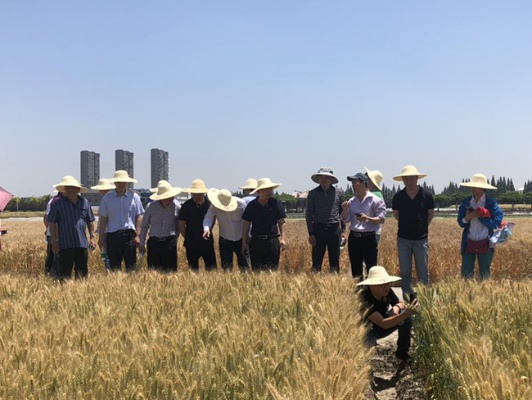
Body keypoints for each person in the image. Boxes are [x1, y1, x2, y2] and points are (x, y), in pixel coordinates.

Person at [358, 266, 418, 363]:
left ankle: (402, 352)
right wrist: (405, 314)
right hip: (366, 331)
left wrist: (396, 308)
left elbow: (400, 303)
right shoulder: (364, 299)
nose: (386, 287)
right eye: (382, 285)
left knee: (407, 319)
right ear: (371, 285)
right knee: (365, 352)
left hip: (381, 325)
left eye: (388, 284)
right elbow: (383, 324)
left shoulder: (387, 290)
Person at [392, 165, 434, 301]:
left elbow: (430, 215)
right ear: (403, 180)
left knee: (423, 272)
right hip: (403, 239)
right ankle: (409, 302)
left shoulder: (426, 196)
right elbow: (396, 215)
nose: (409, 181)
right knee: (405, 273)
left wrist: (421, 227)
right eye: (406, 179)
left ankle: (425, 300)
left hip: (421, 239)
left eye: (411, 178)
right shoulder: (398, 197)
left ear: (417, 179)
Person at [47, 176, 96, 280]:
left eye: (73, 187)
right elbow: (51, 223)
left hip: (82, 244)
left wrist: (92, 237)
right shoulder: (58, 204)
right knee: (65, 275)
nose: (70, 190)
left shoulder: (85, 203)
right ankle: (65, 294)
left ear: (78, 189)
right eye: (68, 188)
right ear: (64, 189)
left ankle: (81, 293)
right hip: (65, 245)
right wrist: (54, 242)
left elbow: (90, 221)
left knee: (82, 274)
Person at [458, 173, 503, 280]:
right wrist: (467, 218)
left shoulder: (491, 203)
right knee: (466, 274)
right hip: (468, 241)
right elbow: (460, 222)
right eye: (472, 186)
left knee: (485, 275)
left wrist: (481, 217)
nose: (472, 188)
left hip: (486, 242)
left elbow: (496, 223)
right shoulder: (466, 202)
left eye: (475, 186)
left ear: (483, 188)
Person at [97, 170, 144, 272]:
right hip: (113, 236)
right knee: (114, 268)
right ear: (114, 183)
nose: (121, 184)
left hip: (130, 235)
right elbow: (103, 219)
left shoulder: (134, 197)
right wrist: (101, 238)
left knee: (131, 267)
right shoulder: (107, 198)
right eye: (118, 182)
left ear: (127, 183)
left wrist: (138, 235)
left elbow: (139, 217)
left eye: (123, 182)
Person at [342, 172, 386, 279]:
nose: (352, 184)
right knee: (356, 271)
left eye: (355, 182)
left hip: (369, 238)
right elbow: (345, 219)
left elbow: (381, 219)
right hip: (354, 238)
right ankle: (359, 293)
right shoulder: (352, 201)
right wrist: (345, 210)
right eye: (352, 182)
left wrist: (367, 218)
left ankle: (371, 294)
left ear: (363, 183)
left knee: (372, 270)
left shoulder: (375, 200)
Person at [241, 177, 286, 271]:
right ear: (260, 191)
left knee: (272, 271)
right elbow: (246, 224)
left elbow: (281, 221)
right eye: (267, 189)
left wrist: (283, 238)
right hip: (256, 242)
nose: (270, 192)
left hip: (272, 241)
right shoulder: (251, 206)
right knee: (257, 271)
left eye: (271, 189)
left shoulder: (276, 203)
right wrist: (244, 242)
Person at [305, 167, 345, 273]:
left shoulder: (339, 192)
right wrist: (311, 233)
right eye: (321, 177)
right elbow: (309, 214)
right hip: (318, 229)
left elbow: (342, 212)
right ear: (318, 179)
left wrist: (343, 231)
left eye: (327, 177)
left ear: (331, 179)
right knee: (316, 261)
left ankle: (334, 284)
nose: (324, 179)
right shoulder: (313, 194)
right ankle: (315, 285)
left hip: (334, 229)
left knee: (335, 260)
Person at [140, 181, 182, 272]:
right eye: (168, 197)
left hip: (169, 243)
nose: (171, 198)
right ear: (161, 198)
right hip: (154, 243)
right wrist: (142, 244)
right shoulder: (150, 207)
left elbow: (179, 225)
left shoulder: (177, 206)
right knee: (153, 271)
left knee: (170, 273)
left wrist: (174, 238)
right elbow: (144, 226)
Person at [203, 188, 248, 271]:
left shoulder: (241, 204)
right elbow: (208, 217)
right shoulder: (214, 205)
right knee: (226, 267)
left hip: (241, 239)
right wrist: (206, 229)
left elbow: (248, 219)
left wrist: (248, 235)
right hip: (225, 240)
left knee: (244, 266)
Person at [178, 179, 217, 271]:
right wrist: (187, 237)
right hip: (191, 242)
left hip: (207, 241)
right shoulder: (186, 206)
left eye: (200, 194)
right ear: (192, 194)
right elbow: (181, 225)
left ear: (204, 193)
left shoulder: (209, 205)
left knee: (212, 269)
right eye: (195, 194)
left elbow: (213, 220)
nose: (197, 196)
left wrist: (208, 230)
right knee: (193, 269)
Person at [90, 178, 115, 270]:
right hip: (110, 232)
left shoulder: (106, 199)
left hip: (106, 233)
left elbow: (102, 219)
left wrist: (98, 232)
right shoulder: (112, 198)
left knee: (105, 255)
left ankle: (108, 270)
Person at [43, 189, 63, 276]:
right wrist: (52, 230)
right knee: (55, 256)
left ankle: (50, 274)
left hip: (51, 234)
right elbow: (47, 218)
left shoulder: (52, 201)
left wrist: (48, 229)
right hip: (54, 235)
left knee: (51, 256)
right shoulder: (54, 202)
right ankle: (54, 274)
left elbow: (45, 219)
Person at [364, 167, 385, 245]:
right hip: (371, 231)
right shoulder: (377, 193)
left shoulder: (374, 195)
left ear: (372, 181)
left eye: (367, 178)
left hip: (371, 232)